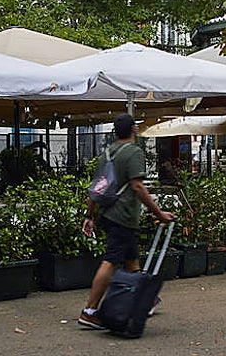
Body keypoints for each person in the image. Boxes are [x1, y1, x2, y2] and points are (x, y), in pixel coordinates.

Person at [78, 112, 175, 330]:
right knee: (112, 260)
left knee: (132, 261)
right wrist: (159, 213)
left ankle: (144, 300)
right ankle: (90, 311)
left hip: (110, 214)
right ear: (133, 129)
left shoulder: (107, 154)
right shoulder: (133, 152)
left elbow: (97, 188)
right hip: (123, 216)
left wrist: (89, 216)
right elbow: (138, 186)